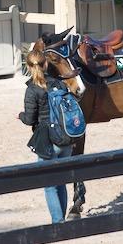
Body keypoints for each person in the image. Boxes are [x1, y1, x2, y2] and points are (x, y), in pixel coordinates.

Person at [18, 50, 73, 224]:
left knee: (49, 185)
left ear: (28, 66)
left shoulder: (32, 90)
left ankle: (58, 223)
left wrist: (20, 115)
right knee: (61, 181)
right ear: (46, 64)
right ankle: (61, 219)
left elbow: (29, 119)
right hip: (65, 138)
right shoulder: (59, 84)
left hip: (47, 141)